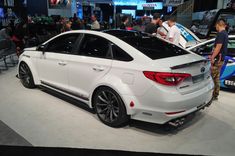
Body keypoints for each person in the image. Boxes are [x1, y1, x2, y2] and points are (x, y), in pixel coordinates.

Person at [210, 19, 228, 100]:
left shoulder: (220, 34)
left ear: (218, 25)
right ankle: (215, 95)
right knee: (216, 78)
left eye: (216, 26)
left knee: (211, 77)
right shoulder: (225, 33)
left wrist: (212, 57)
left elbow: (218, 47)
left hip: (217, 59)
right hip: (221, 59)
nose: (215, 27)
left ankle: (210, 96)